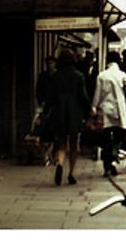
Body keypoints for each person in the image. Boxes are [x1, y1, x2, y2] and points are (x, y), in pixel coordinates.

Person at [49, 49, 91, 186]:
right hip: (74, 112)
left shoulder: (55, 76)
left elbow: (51, 97)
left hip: (59, 112)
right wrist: (89, 109)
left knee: (61, 143)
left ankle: (60, 164)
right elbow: (83, 96)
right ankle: (71, 173)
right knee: (74, 144)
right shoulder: (78, 76)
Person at [91, 51, 126, 176]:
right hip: (118, 111)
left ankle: (106, 165)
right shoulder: (122, 75)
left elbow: (97, 94)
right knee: (117, 138)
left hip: (104, 111)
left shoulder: (102, 76)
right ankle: (114, 160)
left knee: (105, 139)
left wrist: (94, 106)